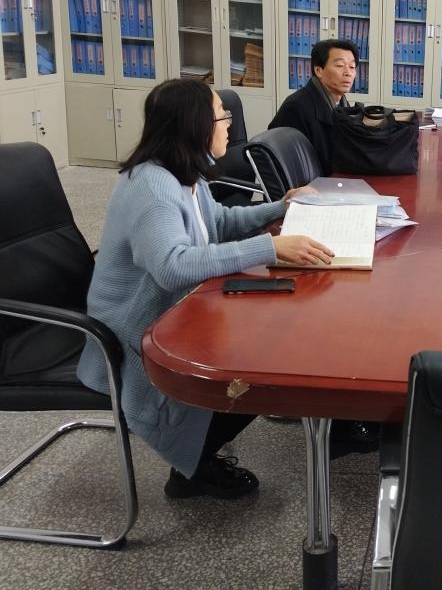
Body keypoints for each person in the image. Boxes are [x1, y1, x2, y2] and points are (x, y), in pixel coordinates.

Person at [76, 79, 334, 499]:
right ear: (194, 125)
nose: (229, 124)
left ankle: (207, 450)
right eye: (221, 116)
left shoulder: (183, 173)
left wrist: (282, 207)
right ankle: (193, 468)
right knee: (256, 365)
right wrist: (270, 247)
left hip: (181, 309)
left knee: (270, 337)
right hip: (134, 333)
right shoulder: (153, 187)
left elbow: (219, 223)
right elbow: (173, 266)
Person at [269, 38, 358, 173]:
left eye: (352, 67)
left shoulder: (341, 105)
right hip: (309, 183)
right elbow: (287, 167)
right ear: (318, 70)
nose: (348, 73)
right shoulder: (296, 107)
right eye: (340, 65)